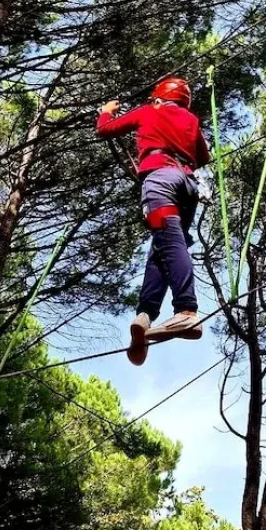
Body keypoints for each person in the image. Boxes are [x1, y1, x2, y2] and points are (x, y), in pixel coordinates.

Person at [95, 76, 211, 366]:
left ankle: (187, 311)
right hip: (187, 185)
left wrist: (107, 110)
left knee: (170, 242)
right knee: (162, 247)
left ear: (158, 98)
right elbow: (203, 156)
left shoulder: (150, 111)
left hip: (159, 181)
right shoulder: (191, 119)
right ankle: (145, 318)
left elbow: (105, 130)